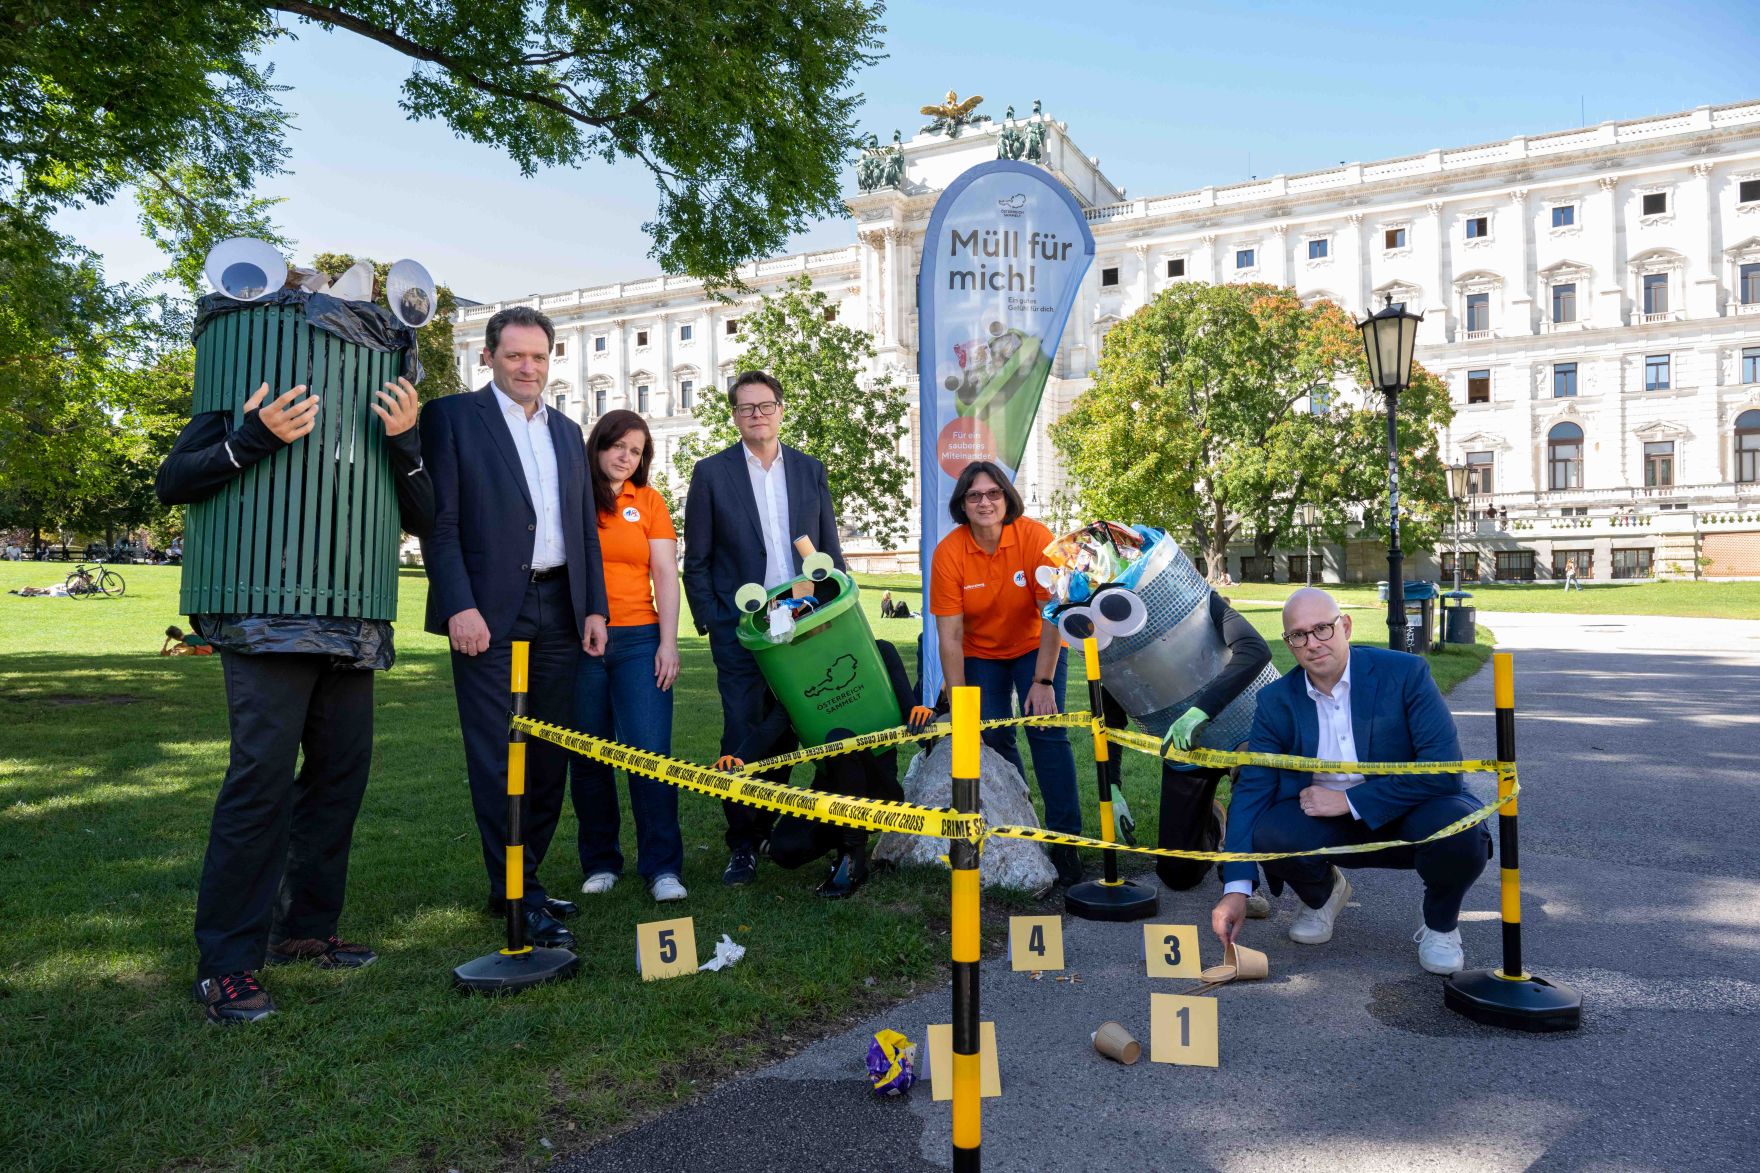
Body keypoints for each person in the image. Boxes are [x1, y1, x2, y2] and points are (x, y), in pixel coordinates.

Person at [158, 370, 432, 1024]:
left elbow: (426, 516)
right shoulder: (243, 392)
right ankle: (225, 962)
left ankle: (303, 928)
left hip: (352, 618)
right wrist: (253, 436)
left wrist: (405, 441)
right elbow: (174, 482)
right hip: (263, 618)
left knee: (341, 775)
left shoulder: (375, 415)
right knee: (260, 780)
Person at [420, 306, 609, 952]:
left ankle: (520, 881)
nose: (528, 368)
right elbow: (440, 524)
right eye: (515, 356)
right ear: (488, 357)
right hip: (487, 609)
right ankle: (517, 894)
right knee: (499, 757)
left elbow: (582, 529)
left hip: (561, 605)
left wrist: (593, 608)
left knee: (550, 754)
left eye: (538, 357)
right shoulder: (451, 418)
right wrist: (458, 605)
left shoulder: (568, 431)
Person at [1211, 588, 1491, 975]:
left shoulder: (1406, 674)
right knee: (1269, 830)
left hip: (1412, 810)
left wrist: (1349, 801)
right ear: (1289, 644)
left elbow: (1442, 770)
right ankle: (1322, 895)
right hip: (1322, 820)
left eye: (1322, 629)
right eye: (1298, 635)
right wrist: (1236, 888)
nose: (1312, 643)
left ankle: (1440, 924)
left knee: (1460, 830)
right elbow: (1251, 792)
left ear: (1345, 626)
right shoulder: (1276, 700)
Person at [682, 370, 843, 887]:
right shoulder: (711, 474)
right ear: (734, 415)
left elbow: (828, 551)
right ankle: (743, 843)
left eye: (765, 405)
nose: (757, 414)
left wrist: (833, 615)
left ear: (781, 409)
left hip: (804, 625)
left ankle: (779, 827)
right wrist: (714, 621)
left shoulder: (809, 469)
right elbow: (697, 559)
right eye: (746, 407)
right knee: (743, 732)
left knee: (794, 728)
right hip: (743, 629)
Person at [930, 460, 1082, 886]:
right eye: (975, 495)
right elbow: (950, 638)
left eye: (993, 493)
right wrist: (961, 711)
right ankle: (1022, 826)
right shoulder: (949, 552)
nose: (985, 502)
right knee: (994, 738)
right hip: (980, 653)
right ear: (962, 503)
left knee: (1046, 731)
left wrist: (1043, 681)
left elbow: (1053, 615)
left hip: (1036, 645)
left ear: (1006, 497)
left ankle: (1067, 842)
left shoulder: (1035, 537)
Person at [715, 633, 933, 897]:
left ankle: (852, 860)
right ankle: (841, 839)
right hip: (830, 789)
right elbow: (772, 726)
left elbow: (913, 717)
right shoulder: (801, 676)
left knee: (840, 739)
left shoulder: (879, 652)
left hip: (877, 789)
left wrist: (923, 714)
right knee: (785, 850)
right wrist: (739, 758)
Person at [571, 410, 686, 904]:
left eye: (636, 451)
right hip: (580, 642)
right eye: (618, 445)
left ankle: (662, 867)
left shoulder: (650, 501)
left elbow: (665, 573)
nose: (625, 456)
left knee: (650, 755)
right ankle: (601, 862)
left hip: (640, 639)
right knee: (588, 756)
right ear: (598, 445)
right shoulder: (574, 495)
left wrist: (668, 642)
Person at [1144, 590, 1274, 898]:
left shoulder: (1198, 598)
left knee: (1252, 789)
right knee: (1177, 873)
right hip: (1188, 745)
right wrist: (1113, 786)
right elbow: (1112, 710)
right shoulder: (1112, 635)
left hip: (1245, 728)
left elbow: (1255, 649)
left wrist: (1201, 711)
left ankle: (1241, 883)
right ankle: (1214, 823)